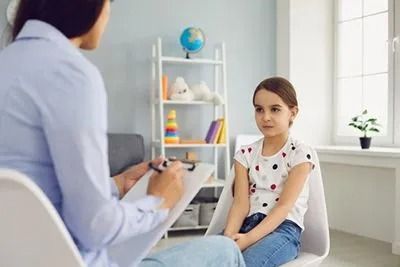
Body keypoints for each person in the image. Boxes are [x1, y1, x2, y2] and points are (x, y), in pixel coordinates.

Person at [0, 0, 245, 266]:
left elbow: (38, 193)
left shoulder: (8, 63)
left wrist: (117, 183)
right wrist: (157, 202)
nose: (108, 14)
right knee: (224, 249)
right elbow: (95, 227)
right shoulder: (72, 74)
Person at [223, 77, 316, 266]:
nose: (265, 117)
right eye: (259, 109)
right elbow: (240, 204)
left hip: (283, 230)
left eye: (275, 109)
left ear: (292, 112)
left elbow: (283, 207)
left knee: (246, 263)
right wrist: (228, 238)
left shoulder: (300, 154)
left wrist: (248, 240)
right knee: (207, 257)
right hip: (247, 224)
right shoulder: (245, 155)